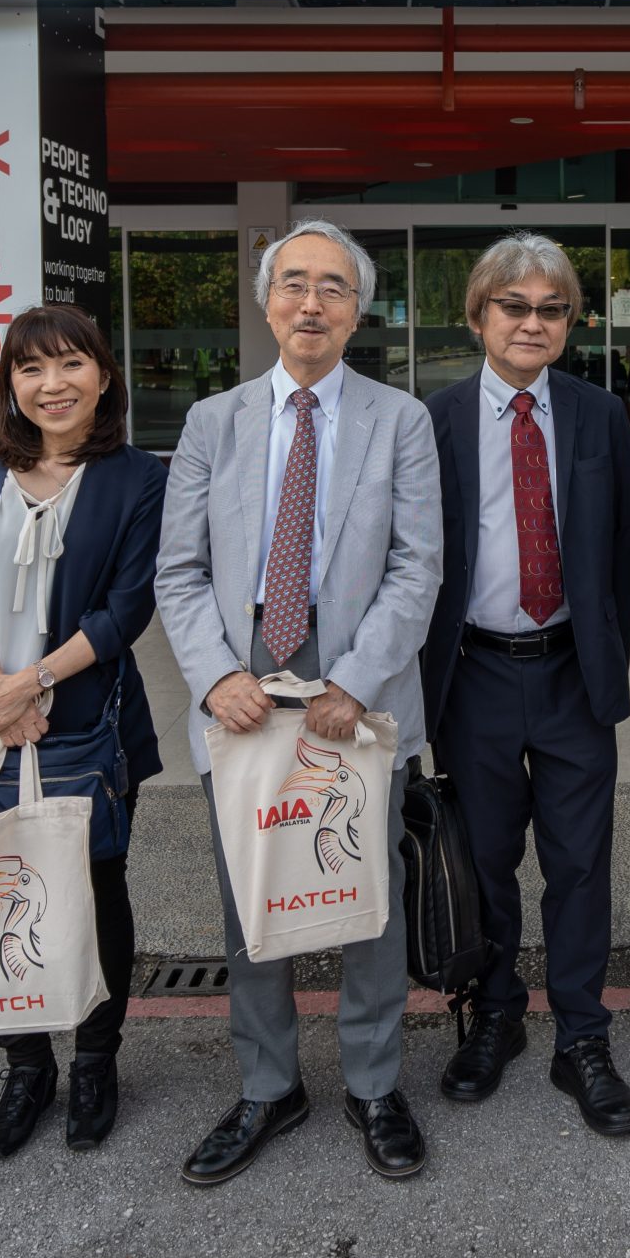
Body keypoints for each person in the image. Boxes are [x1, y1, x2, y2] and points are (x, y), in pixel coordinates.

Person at [155, 220, 444, 1184]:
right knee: (253, 896)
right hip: (241, 681)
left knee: (367, 895)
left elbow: (418, 566)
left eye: (332, 287)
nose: (310, 302)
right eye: (293, 283)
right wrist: (214, 676)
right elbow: (179, 570)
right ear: (265, 299)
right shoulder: (213, 421)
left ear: (359, 309)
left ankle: (372, 1082)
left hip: (355, 676)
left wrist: (356, 676)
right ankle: (269, 1083)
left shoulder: (400, 421)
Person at [0, 304, 166, 1160]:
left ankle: (96, 1059)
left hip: (85, 722)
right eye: (32, 368)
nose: (52, 384)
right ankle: (24, 1063)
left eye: (71, 365)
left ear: (104, 376)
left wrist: (34, 683)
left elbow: (125, 609)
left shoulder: (139, 476)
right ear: (11, 385)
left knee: (96, 892)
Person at [420, 234, 630, 1136]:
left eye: (551, 308)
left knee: (581, 864)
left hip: (570, 675)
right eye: (514, 306)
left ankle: (582, 1035)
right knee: (483, 862)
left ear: (570, 322)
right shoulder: (431, 419)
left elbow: (621, 549)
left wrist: (601, 655)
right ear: (480, 316)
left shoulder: (600, 415)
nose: (533, 322)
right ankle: (496, 1012)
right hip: (471, 673)